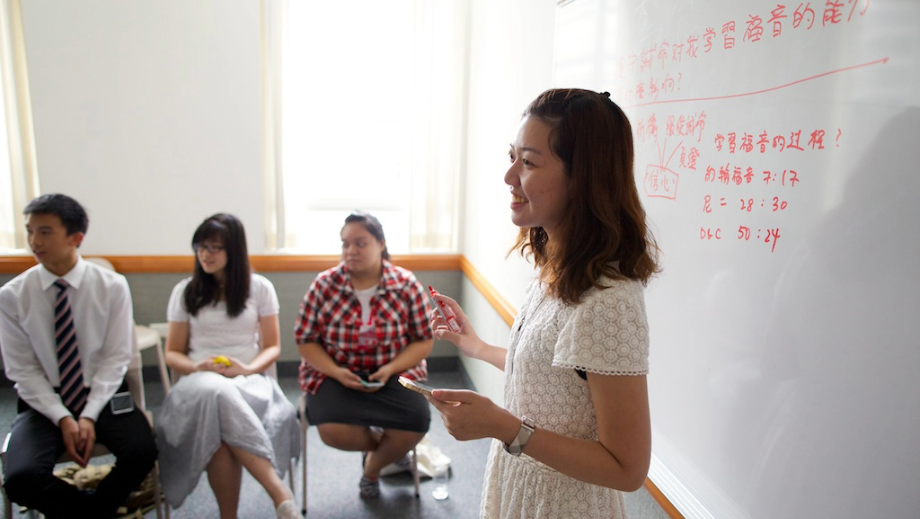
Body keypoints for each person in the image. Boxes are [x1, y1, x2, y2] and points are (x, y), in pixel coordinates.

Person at [428, 89, 659, 519]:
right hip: (523, 484)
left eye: (529, 163)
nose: (509, 175)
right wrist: (477, 347)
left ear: (582, 179)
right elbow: (556, 379)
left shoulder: (610, 301)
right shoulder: (558, 267)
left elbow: (628, 469)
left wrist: (504, 426)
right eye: (512, 157)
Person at [0, 194, 158, 518]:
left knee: (143, 452)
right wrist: (62, 416)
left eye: (45, 232)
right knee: (20, 479)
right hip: (43, 398)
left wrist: (88, 415)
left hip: (103, 391)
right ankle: (93, 512)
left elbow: (116, 359)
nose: (34, 241)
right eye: (30, 231)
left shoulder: (112, 287)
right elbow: (22, 370)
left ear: (76, 238)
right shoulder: (12, 296)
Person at [155, 213, 300, 519]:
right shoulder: (185, 291)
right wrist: (198, 367)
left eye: (214, 248)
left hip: (248, 379)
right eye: (200, 247)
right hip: (199, 382)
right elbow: (173, 354)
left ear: (233, 250)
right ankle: (280, 494)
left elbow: (272, 347)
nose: (205, 254)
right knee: (216, 392)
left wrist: (246, 369)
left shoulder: (259, 288)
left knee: (219, 433)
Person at [295, 211, 433, 499]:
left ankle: (371, 468)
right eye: (345, 244)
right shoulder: (324, 285)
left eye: (360, 243)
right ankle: (389, 451)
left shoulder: (405, 284)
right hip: (335, 371)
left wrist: (391, 368)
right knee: (332, 431)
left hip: (393, 370)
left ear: (381, 244)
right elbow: (306, 341)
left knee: (416, 422)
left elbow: (423, 341)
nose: (350, 251)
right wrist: (336, 371)